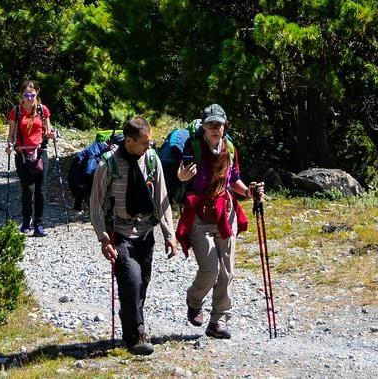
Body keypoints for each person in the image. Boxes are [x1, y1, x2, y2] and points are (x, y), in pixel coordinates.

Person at [89, 116, 176, 356]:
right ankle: (137, 334)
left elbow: (162, 199)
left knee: (141, 284)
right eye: (144, 142)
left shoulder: (151, 160)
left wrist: (170, 234)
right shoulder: (108, 165)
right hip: (120, 234)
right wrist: (104, 238)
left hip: (146, 233)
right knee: (132, 279)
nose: (149, 145)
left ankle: (131, 321)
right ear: (129, 140)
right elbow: (95, 205)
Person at [175, 103, 262, 340]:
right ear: (203, 127)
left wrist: (249, 193)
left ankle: (218, 321)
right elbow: (182, 174)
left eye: (219, 124)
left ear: (225, 126)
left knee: (227, 272)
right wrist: (181, 177)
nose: (215, 129)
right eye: (210, 124)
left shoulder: (230, 148)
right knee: (210, 269)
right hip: (199, 216)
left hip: (225, 212)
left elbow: (234, 180)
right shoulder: (193, 147)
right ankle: (194, 301)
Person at [7, 79, 57, 237]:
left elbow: (48, 131)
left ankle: (39, 224)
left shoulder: (43, 110)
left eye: (32, 94)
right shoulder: (16, 112)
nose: (29, 98)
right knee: (28, 190)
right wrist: (9, 145)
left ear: (37, 93)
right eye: (26, 95)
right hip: (22, 155)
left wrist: (51, 135)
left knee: (41, 191)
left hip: (40, 153)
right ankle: (26, 220)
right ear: (22, 95)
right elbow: (11, 135)